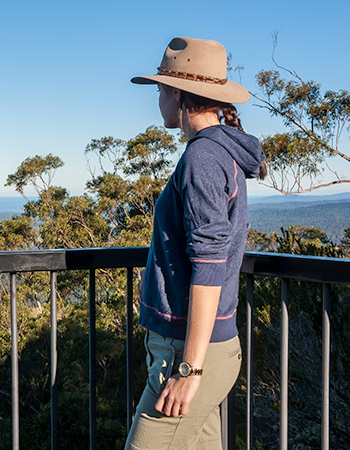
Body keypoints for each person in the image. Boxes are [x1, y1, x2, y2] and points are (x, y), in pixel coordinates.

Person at [124, 37, 266, 449]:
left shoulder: (202, 158)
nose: (157, 101)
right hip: (206, 348)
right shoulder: (218, 152)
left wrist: (188, 370)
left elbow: (209, 263)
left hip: (190, 352)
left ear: (178, 93)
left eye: (159, 90)